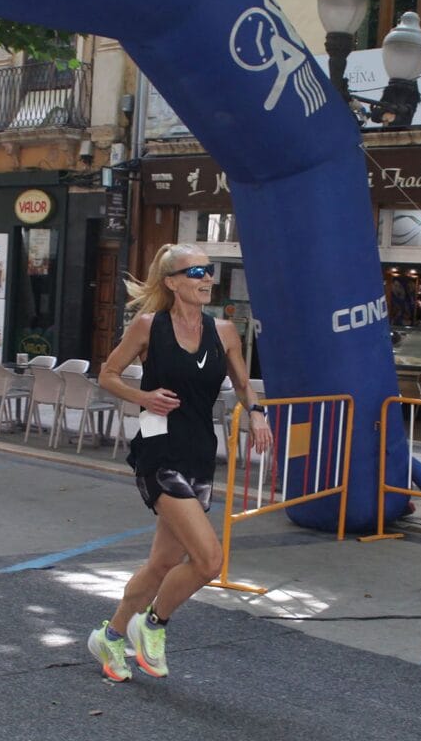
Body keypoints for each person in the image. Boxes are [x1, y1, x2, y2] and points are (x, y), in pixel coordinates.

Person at [86, 244, 272, 683]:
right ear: (171, 282)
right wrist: (143, 396)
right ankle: (152, 624)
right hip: (158, 452)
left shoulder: (224, 331)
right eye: (197, 272)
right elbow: (107, 374)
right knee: (209, 560)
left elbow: (244, 385)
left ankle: (110, 637)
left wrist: (258, 413)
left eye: (209, 272)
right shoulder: (149, 326)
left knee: (161, 564)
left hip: (199, 453)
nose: (207, 279)